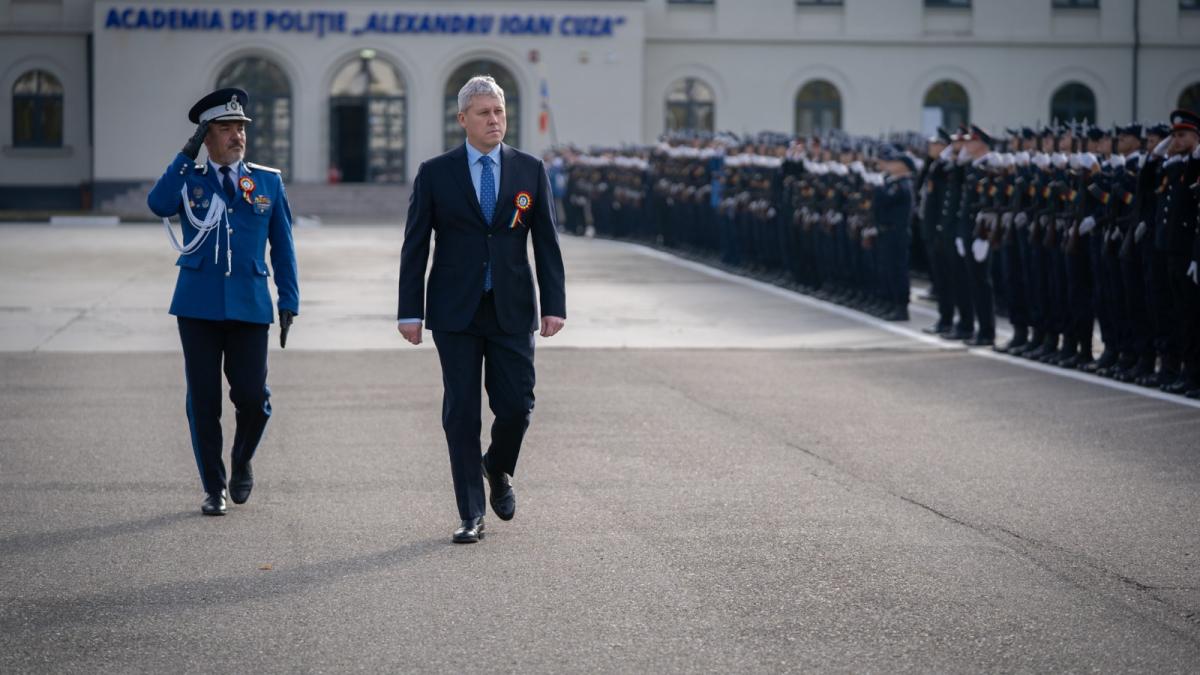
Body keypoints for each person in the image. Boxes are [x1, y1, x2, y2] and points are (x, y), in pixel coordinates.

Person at [396, 75, 567, 544]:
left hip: (512, 307)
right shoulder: (436, 173)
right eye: (485, 113)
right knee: (462, 412)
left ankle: (498, 465)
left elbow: (546, 243)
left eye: (500, 112)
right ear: (463, 120)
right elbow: (416, 245)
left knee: (517, 405)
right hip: (455, 311)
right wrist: (409, 311)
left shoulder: (529, 169)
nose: (495, 121)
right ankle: (471, 511)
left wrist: (555, 304)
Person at [147, 87, 299, 516]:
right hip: (197, 307)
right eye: (226, 129)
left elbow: (283, 246)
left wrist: (289, 299)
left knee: (253, 397)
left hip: (250, 304)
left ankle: (242, 457)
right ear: (206, 136)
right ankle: (213, 488)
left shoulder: (266, 181)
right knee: (204, 401)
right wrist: (184, 156)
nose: (237, 136)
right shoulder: (189, 179)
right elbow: (157, 204)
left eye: (241, 128)